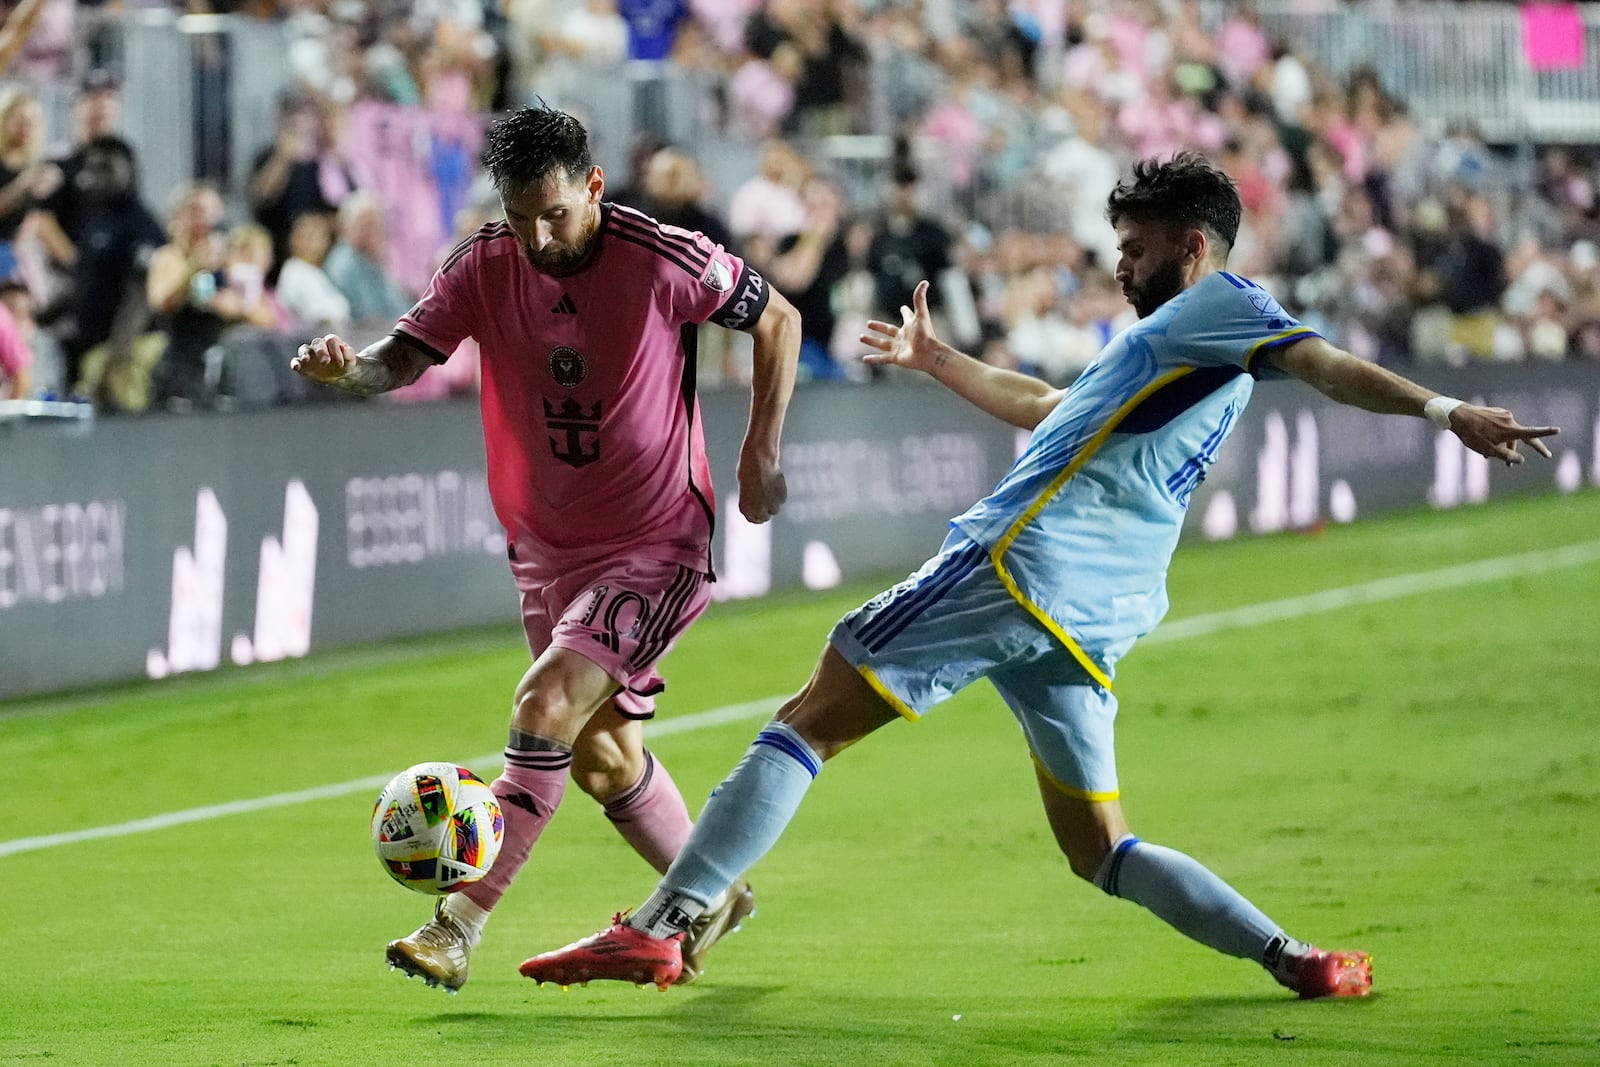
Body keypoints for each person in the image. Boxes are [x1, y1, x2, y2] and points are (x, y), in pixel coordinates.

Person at [517, 154, 1558, 997]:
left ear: (1192, 247)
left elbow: (1323, 361)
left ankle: (665, 921)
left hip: (1014, 566)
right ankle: (1290, 957)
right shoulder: (1170, 345)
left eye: (1136, 248)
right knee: (1098, 844)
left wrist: (1440, 410)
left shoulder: (1226, 306)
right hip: (1091, 618)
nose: (1120, 264)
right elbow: (1048, 403)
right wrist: (941, 363)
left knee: (808, 717)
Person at [292, 102, 800, 991]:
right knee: (605, 760)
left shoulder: (661, 255)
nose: (536, 234)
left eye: (555, 213)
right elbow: (404, 356)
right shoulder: (486, 262)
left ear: (594, 186)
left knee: (543, 705)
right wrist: (353, 371)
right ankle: (709, 891)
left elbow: (779, 320)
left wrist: (760, 450)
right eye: (520, 214)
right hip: (544, 554)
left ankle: (456, 925)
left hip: (656, 541)